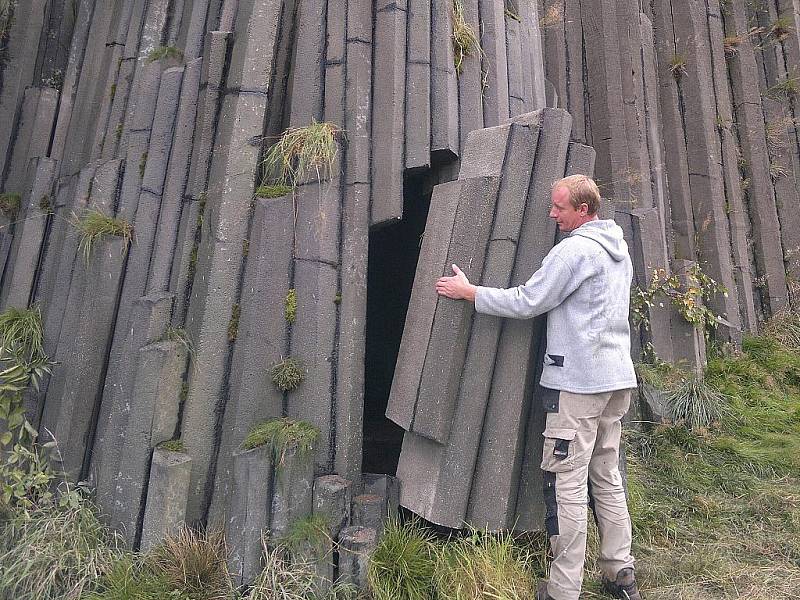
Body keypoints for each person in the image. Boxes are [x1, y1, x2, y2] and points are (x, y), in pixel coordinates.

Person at [435, 174, 642, 600]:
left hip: (579, 385)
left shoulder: (574, 252)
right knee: (606, 474)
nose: (552, 213)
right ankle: (620, 572)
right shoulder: (618, 252)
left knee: (567, 480)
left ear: (583, 210)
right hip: (616, 380)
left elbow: (529, 300)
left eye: (559, 207)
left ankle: (564, 589)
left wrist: (471, 292)